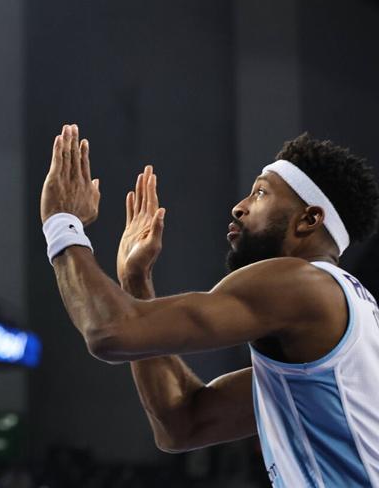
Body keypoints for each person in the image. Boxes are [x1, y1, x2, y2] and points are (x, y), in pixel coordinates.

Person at [40, 125, 379, 483]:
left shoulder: (299, 283)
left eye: (260, 193)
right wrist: (136, 282)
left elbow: (109, 333)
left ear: (309, 219)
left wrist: (61, 223)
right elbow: (183, 424)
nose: (239, 207)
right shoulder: (345, 313)